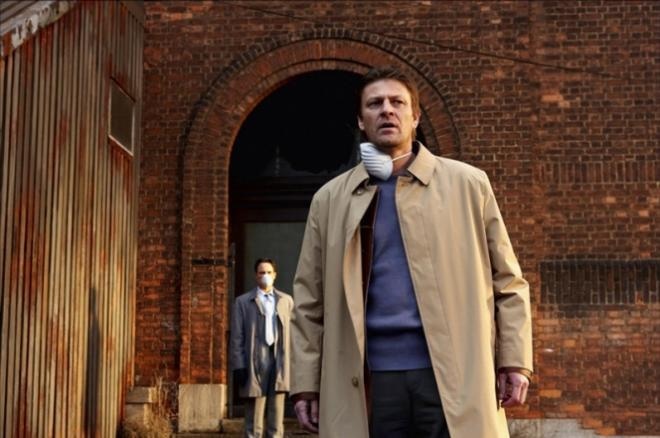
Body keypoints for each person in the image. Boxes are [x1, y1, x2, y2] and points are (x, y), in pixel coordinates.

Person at [290, 67, 533, 438]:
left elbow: (508, 281)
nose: (387, 110)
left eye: (397, 102)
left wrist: (515, 361)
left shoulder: (468, 184)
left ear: (415, 117)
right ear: (361, 121)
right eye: (375, 104)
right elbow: (309, 299)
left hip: (455, 373)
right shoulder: (330, 199)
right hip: (369, 379)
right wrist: (306, 383)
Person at [230, 258, 294, 438]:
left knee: (277, 414)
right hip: (255, 359)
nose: (265, 276)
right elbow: (237, 336)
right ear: (256, 275)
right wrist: (239, 365)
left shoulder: (286, 301)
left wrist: (294, 364)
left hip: (279, 359)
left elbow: (294, 335)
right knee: (254, 415)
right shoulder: (243, 302)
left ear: (275, 275)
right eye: (261, 272)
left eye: (268, 272)